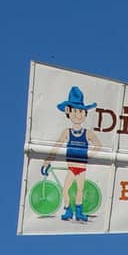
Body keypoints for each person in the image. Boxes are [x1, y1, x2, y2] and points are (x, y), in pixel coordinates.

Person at [42, 85, 104, 222]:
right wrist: (48, 159)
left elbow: (98, 145)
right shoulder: (67, 132)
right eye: (75, 112)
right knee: (66, 189)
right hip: (71, 167)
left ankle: (79, 212)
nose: (78, 115)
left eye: (81, 112)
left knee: (80, 190)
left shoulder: (87, 133)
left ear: (85, 114)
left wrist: (87, 155)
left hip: (81, 167)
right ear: (68, 112)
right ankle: (68, 211)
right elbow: (57, 145)